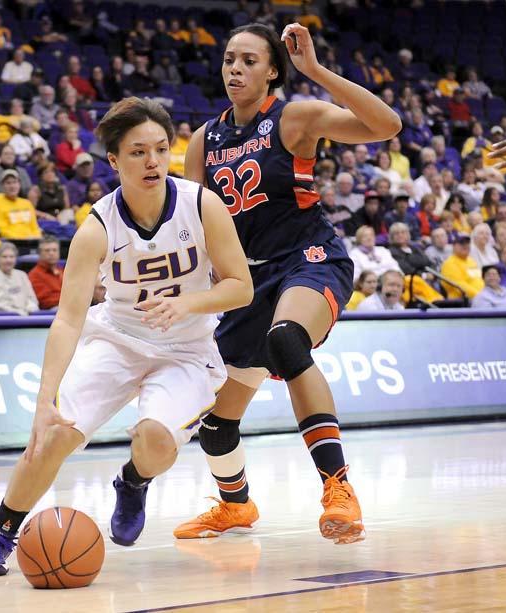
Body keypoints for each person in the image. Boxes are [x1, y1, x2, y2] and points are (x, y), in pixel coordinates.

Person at [0, 97, 253, 575]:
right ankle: (0, 530)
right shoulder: (97, 228)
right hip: (117, 337)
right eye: (139, 152)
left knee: (156, 440)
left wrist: (186, 302)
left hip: (185, 348)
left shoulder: (202, 205)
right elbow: (67, 320)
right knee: (52, 434)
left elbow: (240, 287)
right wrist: (44, 400)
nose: (153, 161)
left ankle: (133, 481)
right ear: (115, 160)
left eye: (161, 149)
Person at [173, 22, 400, 544]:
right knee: (214, 426)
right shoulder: (202, 141)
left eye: (249, 60)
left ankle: (338, 489)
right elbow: (194, 228)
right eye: (230, 59)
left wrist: (316, 72)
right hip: (247, 281)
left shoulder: (294, 116)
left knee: (286, 338)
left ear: (272, 70)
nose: (235, 68)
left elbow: (386, 125)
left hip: (308, 259)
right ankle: (235, 507)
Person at [0, 242, 39, 315]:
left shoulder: (22, 275)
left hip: (26, 316)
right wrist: (20, 313)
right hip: (4, 320)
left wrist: (30, 310)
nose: (8, 260)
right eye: (4, 257)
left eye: (11, 257)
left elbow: (32, 299)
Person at [0, 169, 42, 240]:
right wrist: (23, 238)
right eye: (8, 183)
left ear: (19, 184)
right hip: (12, 241)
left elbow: (35, 227)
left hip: (32, 241)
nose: (12, 186)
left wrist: (36, 238)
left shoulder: (27, 203)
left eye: (15, 182)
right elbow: (2, 229)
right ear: (2, 186)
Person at [440, 235, 484, 300]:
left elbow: (478, 280)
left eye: (467, 243)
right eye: (462, 243)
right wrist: (479, 296)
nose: (465, 246)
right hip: (462, 301)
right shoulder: (449, 263)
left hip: (480, 298)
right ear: (454, 246)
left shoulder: (471, 261)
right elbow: (459, 286)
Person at [28, 236, 64, 310]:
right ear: (40, 253)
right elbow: (46, 302)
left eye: (54, 250)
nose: (51, 253)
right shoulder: (34, 275)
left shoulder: (62, 271)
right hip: (51, 312)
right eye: (47, 250)